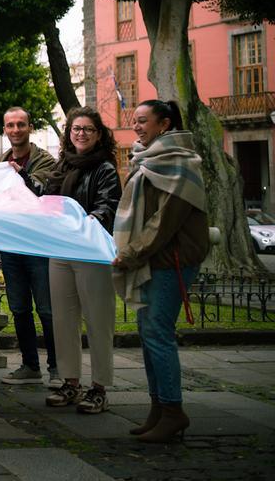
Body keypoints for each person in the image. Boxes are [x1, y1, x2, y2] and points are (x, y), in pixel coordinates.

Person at [113, 99, 209, 442]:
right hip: (154, 259)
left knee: (157, 333)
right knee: (149, 332)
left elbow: (164, 222)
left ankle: (172, 411)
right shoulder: (147, 158)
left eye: (142, 121)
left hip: (172, 261)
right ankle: (159, 408)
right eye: (135, 121)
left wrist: (131, 254)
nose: (136, 126)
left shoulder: (180, 164)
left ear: (164, 124)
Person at [35, 107, 121, 414]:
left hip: (91, 252)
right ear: (69, 135)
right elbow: (45, 198)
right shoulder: (63, 165)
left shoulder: (105, 169)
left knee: (98, 321)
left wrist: (80, 226)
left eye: (87, 129)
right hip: (60, 251)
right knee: (63, 320)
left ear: (99, 135)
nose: (81, 134)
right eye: (76, 129)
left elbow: (107, 208)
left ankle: (99, 388)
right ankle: (71, 382)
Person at [0, 107, 59, 387]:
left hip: (38, 246)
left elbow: (41, 192)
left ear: (29, 128)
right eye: (11, 125)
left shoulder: (45, 160)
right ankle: (30, 366)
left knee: (47, 309)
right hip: (10, 245)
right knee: (19, 308)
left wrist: (19, 175)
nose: (16, 129)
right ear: (5, 130)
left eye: (21, 124)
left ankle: (58, 367)